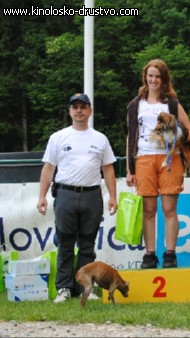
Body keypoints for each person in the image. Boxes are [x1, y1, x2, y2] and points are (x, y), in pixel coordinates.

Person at [37, 93, 118, 303]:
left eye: (83, 107)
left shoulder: (100, 138)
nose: (79, 110)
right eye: (75, 107)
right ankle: (63, 288)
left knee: (87, 245)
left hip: (92, 195)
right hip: (65, 194)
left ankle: (85, 288)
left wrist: (113, 197)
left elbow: (108, 169)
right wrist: (42, 196)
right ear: (70, 111)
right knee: (65, 243)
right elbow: (48, 168)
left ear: (90, 111)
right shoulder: (58, 137)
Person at [126, 59, 190, 269]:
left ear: (164, 79)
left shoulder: (171, 103)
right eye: (150, 76)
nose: (154, 80)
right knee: (148, 209)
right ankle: (149, 253)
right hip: (144, 158)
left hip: (169, 158)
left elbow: (189, 131)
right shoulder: (136, 104)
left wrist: (177, 143)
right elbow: (131, 135)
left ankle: (170, 253)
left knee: (169, 208)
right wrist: (130, 168)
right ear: (145, 77)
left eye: (158, 76)